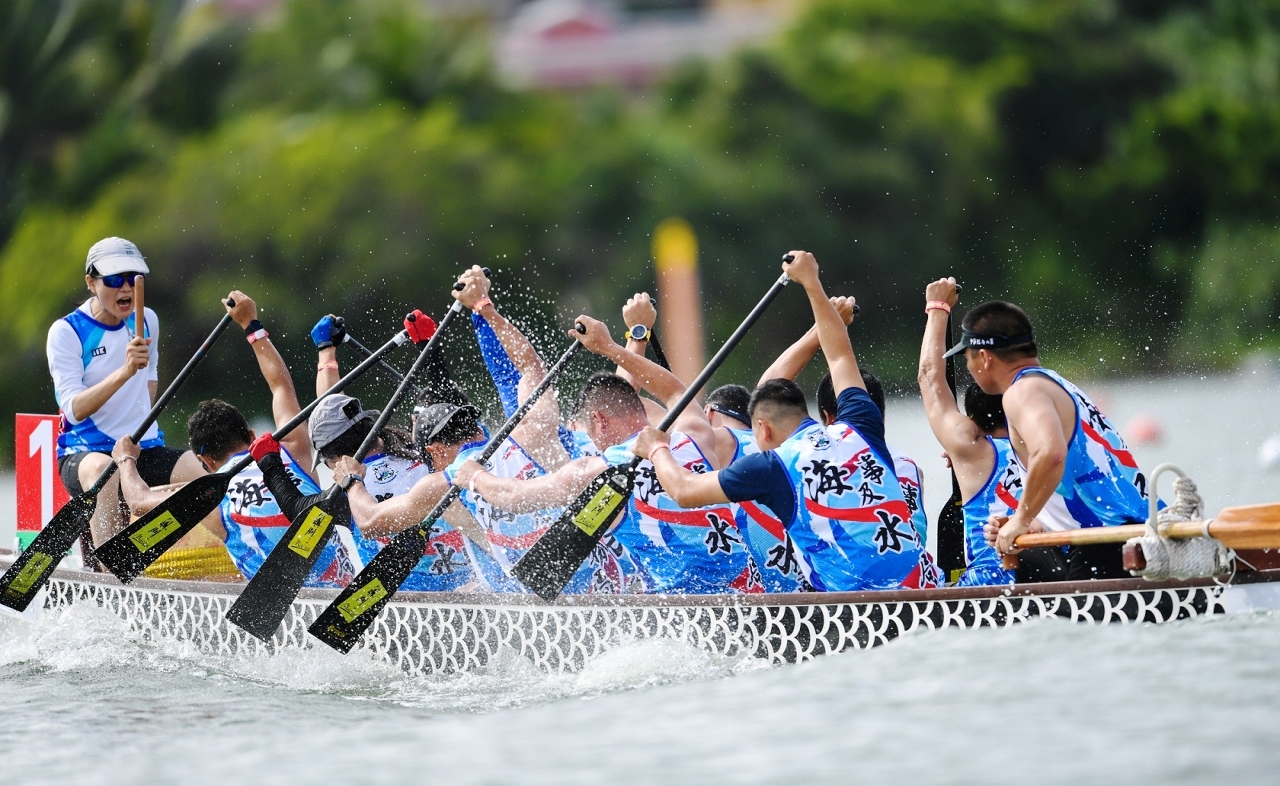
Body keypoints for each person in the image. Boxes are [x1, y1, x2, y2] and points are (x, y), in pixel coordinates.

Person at [631, 251, 920, 592]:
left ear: (763, 429)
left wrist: (657, 449)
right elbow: (841, 355)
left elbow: (683, 490)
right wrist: (812, 282)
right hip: (920, 592)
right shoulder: (859, 424)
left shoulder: (770, 466)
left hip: (851, 610)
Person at [453, 317, 759, 594]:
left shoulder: (594, 471)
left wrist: (475, 477)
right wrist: (609, 347)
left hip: (684, 610)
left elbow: (515, 498)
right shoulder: (693, 436)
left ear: (598, 420)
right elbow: (676, 392)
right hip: (751, 592)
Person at [112, 292, 357, 587]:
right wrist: (251, 324)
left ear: (204, 461)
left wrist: (125, 458)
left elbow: (138, 502)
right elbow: (281, 385)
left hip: (276, 604)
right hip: (341, 591)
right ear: (251, 435)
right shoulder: (293, 449)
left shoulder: (208, 502)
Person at [947, 299, 1148, 579]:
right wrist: (1031, 523)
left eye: (967, 358)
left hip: (1104, 540)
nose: (968, 367)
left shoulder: (1022, 392)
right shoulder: (1055, 383)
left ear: (984, 357)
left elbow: (1051, 454)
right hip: (1131, 535)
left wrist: (1021, 519)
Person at [48, 237, 205, 549]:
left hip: (142, 448)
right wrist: (125, 371)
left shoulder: (147, 320)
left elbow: (150, 379)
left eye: (133, 279)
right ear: (91, 283)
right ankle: (110, 565)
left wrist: (135, 425)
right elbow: (73, 410)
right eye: (114, 280)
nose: (126, 288)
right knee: (104, 472)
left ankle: (211, 561)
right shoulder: (67, 332)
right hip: (86, 453)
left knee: (204, 477)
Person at [917, 278, 1069, 585]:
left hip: (993, 580)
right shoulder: (1054, 438)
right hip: (1058, 569)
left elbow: (930, 377)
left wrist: (937, 307)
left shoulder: (970, 446)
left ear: (973, 421)